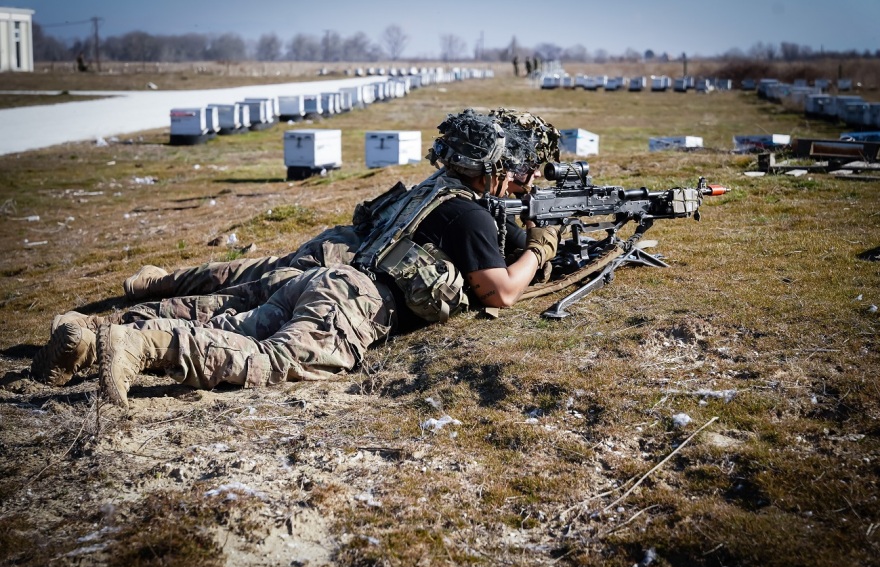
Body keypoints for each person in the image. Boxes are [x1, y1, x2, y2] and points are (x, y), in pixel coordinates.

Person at [32, 110, 562, 409]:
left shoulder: (438, 191)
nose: (519, 177)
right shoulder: (469, 216)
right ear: (490, 166)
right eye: (512, 169)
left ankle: (89, 341)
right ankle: (137, 344)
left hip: (333, 280)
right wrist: (540, 249)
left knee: (233, 325)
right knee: (268, 362)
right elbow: (502, 291)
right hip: (353, 301)